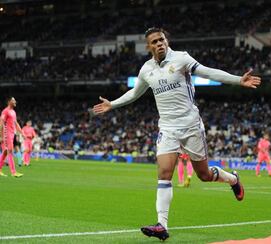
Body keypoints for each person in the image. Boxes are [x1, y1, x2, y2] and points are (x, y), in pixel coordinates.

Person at [93, 27, 261, 241]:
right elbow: (135, 93)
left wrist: (238, 80)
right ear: (149, 46)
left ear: (167, 40)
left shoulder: (181, 58)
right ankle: (161, 225)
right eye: (154, 41)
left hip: (191, 126)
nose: (159, 43)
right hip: (168, 128)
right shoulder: (146, 70)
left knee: (204, 175)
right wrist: (112, 104)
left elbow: (207, 71)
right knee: (164, 173)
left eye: (161, 39)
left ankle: (232, 179)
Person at [0, 97, 25, 177]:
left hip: (12, 134)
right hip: (6, 134)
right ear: (9, 102)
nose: (15, 102)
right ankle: (13, 172)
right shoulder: (5, 111)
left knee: (5, 152)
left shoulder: (13, 112)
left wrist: (22, 133)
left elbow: (16, 123)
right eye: (13, 100)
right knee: (9, 151)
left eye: (15, 100)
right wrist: (1, 136)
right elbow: (1, 124)